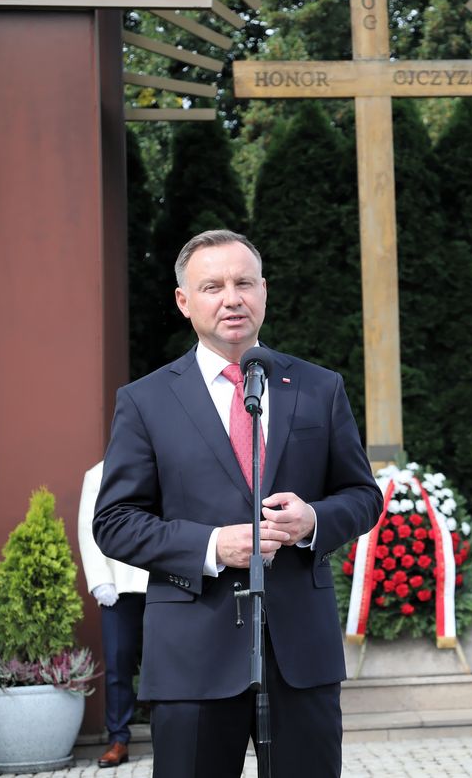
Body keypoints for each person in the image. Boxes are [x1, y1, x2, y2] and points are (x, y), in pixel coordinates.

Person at [93, 230, 382, 778]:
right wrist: (211, 545)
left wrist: (315, 519)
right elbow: (114, 522)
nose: (232, 298)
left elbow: (363, 496)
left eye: (244, 282)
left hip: (301, 651)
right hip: (192, 655)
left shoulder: (319, 388)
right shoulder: (146, 401)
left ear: (264, 292)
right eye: (213, 286)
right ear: (184, 301)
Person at [77, 460, 147, 768]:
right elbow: (88, 527)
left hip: (165, 582)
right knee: (118, 663)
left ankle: (169, 733)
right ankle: (118, 738)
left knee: (169, 662)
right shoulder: (97, 474)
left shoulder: (165, 457)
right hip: (119, 585)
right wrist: (99, 579)